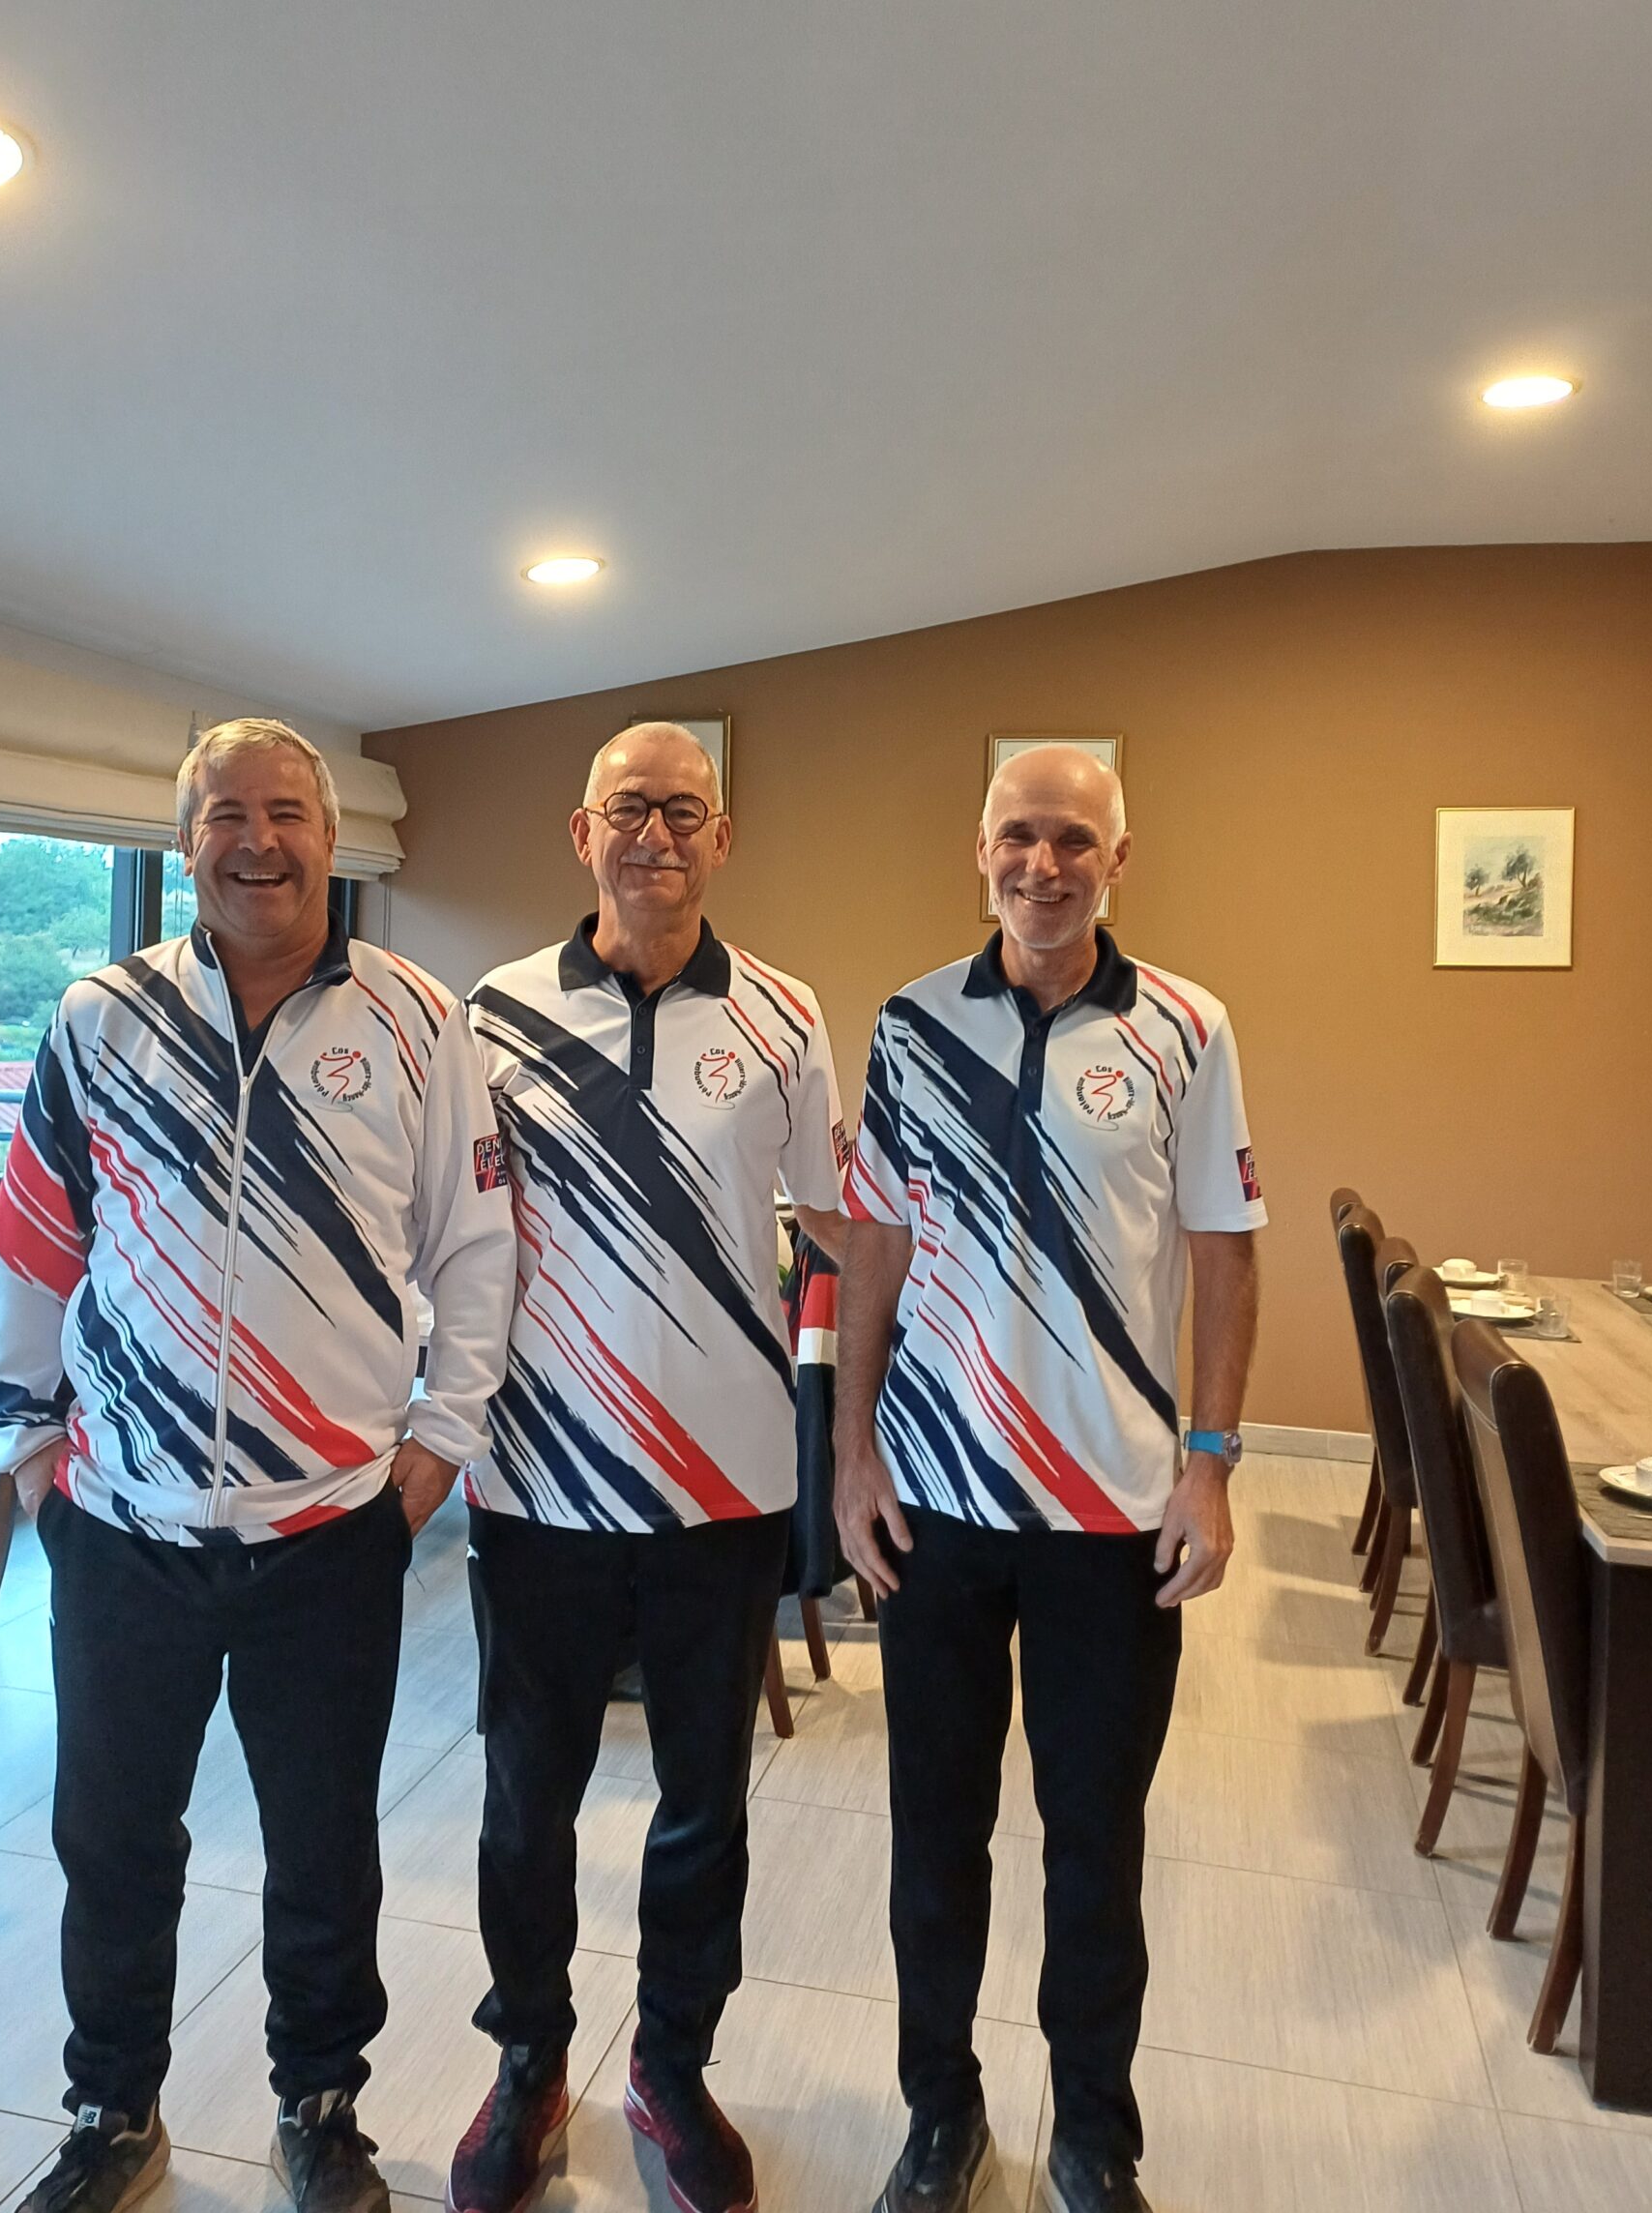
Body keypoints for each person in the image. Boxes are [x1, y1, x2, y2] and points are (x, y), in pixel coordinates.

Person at [0, 718, 516, 2213]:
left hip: (329, 1528)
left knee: (323, 1842)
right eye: (226, 813)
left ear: (332, 838)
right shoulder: (99, 1019)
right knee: (110, 1838)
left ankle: (320, 2107)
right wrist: (29, 1447)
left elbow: (477, 1253)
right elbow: (31, 1249)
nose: (257, 841)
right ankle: (111, 2111)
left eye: (286, 812)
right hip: (121, 1523)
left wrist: (440, 1445)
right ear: (185, 837)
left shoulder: (418, 1022)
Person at [834, 745, 1264, 2213]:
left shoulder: (1188, 1027)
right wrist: (853, 1453)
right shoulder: (910, 1024)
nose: (1044, 863)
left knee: (1095, 1846)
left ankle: (1094, 2135)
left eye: (1075, 838)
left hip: (1113, 1519)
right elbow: (876, 1241)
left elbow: (1224, 1252)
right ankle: (939, 2114)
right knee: (935, 1839)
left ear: (1117, 860)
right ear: (981, 851)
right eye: (1019, 835)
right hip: (937, 1511)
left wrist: (1210, 1466)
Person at [449, 722, 850, 2213]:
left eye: (686, 810)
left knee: (704, 1803)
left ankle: (671, 2063)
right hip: (536, 1485)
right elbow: (448, 1227)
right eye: (630, 807)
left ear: (722, 837)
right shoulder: (490, 1012)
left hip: (723, 1491)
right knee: (525, 1799)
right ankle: (528, 2058)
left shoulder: (788, 1015)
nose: (657, 834)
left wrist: (854, 1418)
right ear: (583, 832)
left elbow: (836, 1229)